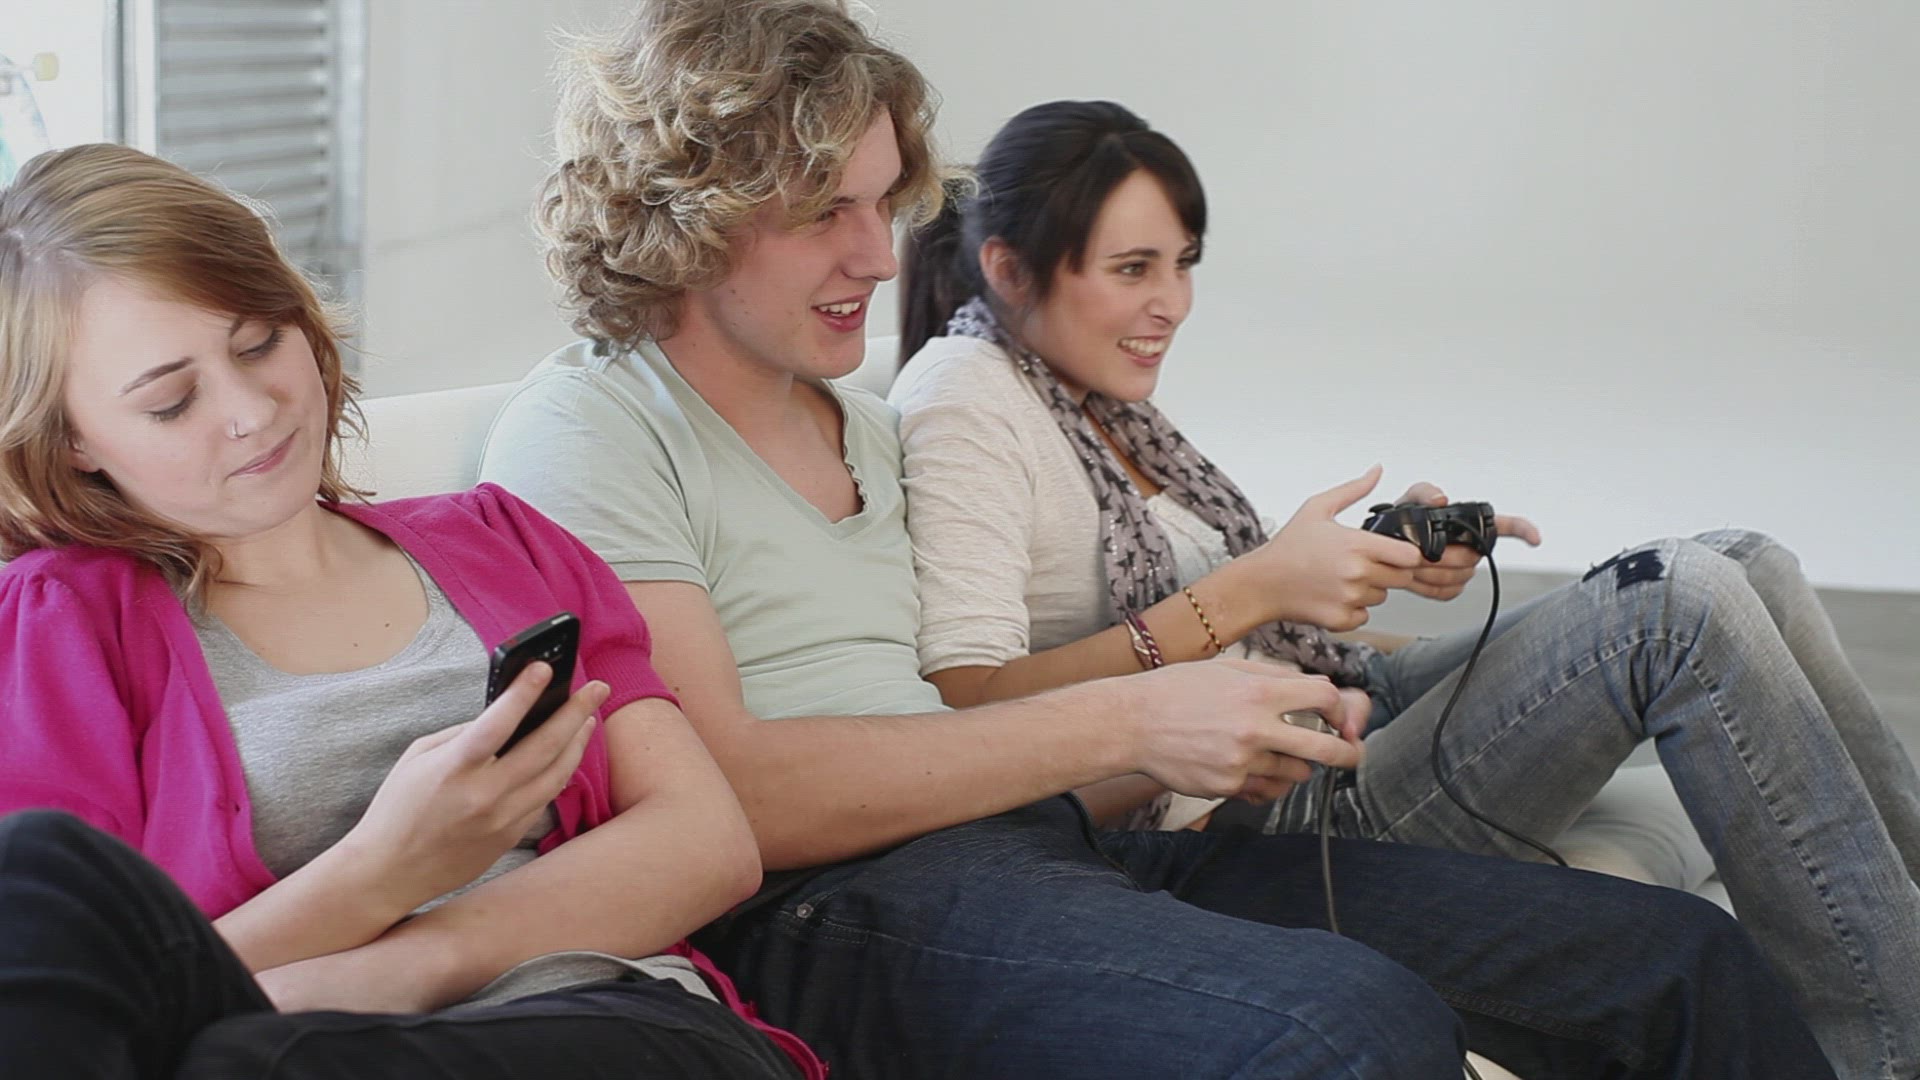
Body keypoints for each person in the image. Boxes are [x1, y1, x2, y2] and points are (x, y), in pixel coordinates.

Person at [479, 2, 1839, 1076]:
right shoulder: (593, 427)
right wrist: (1135, 717)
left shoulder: (868, 430)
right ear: (691, 207)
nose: (880, 256)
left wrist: (1206, 725)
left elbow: (958, 720)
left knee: (1676, 961)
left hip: (1032, 847)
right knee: (1349, 1029)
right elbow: (732, 799)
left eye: (880, 203)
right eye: (822, 210)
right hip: (819, 912)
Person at [888, 97, 1920, 1079]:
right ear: (1009, 267)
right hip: (1248, 813)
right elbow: (965, 708)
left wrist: (1363, 565)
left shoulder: (1096, 401)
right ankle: (1884, 1049)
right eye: (1132, 269)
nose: (1174, 302)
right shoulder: (967, 399)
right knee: (1676, 606)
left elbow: (1231, 615)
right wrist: (1254, 590)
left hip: (1329, 704)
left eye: (1184, 262)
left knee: (1749, 559)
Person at [0, 143, 821, 1080]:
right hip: (271, 1048)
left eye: (260, 343)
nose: (251, 410)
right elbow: (81, 990)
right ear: (72, 441)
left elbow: (708, 845)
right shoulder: (57, 627)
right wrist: (385, 868)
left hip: (610, 1021)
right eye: (171, 401)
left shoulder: (504, 541)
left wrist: (401, 968)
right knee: (50, 883)